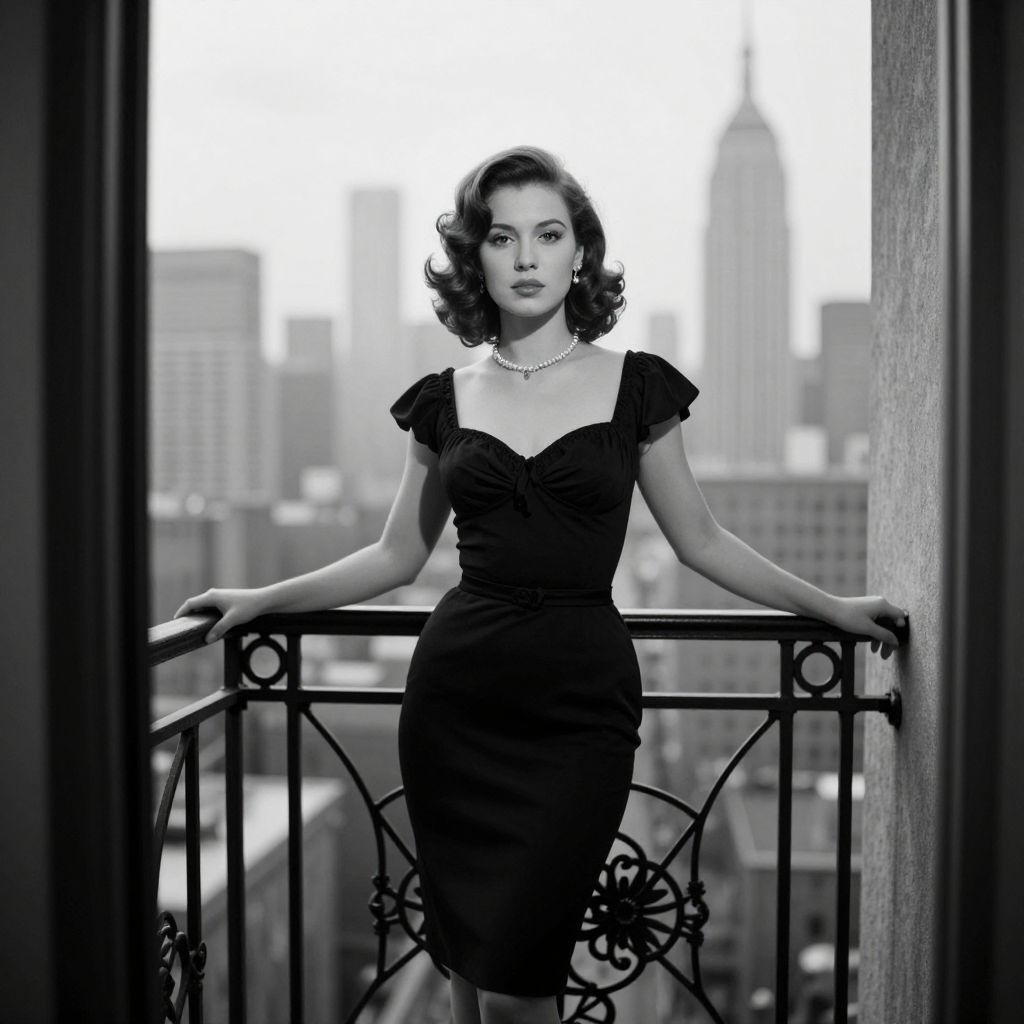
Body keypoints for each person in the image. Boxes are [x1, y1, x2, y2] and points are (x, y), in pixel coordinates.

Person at [175, 145, 906, 1024]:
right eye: (503, 236)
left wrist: (837, 611)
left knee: (522, 992)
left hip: (579, 709)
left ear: (580, 253)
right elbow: (395, 556)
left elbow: (702, 540)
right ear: (475, 257)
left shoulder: (638, 387)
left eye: (549, 234)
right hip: (456, 706)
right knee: (469, 984)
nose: (526, 256)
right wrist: (259, 601)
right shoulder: (440, 399)